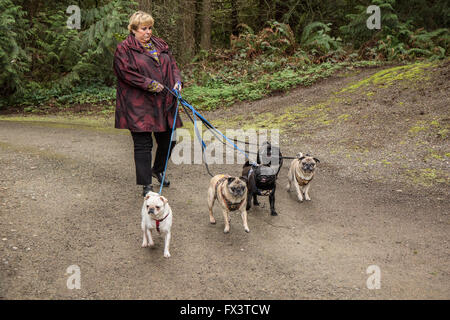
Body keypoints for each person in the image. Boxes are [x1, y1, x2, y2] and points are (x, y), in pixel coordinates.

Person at [113, 11, 183, 196]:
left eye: (150, 28)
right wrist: (149, 84)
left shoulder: (160, 44)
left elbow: (173, 65)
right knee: (143, 145)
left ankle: (157, 169)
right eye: (144, 28)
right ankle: (146, 186)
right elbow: (125, 73)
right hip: (139, 106)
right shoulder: (124, 49)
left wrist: (177, 81)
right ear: (134, 30)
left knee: (170, 139)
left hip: (165, 102)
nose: (148, 32)